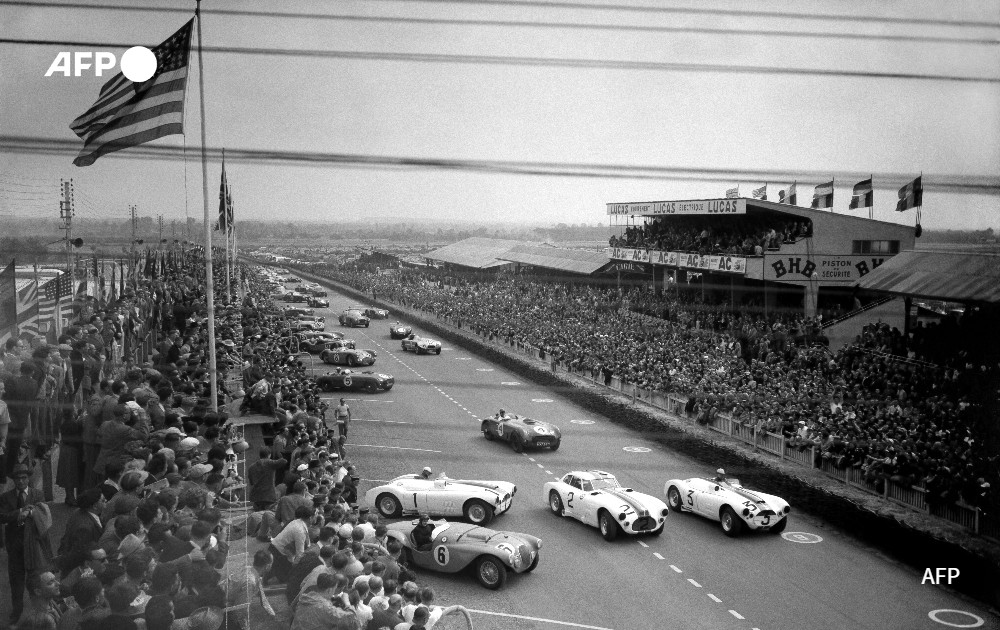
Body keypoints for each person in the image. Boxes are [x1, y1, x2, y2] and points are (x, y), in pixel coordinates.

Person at [1, 464, 49, 624]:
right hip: (15, 546)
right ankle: (17, 613)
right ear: (13, 480)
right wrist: (19, 512)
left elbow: (43, 516)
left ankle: (40, 613)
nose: (21, 481)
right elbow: (2, 516)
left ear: (29, 478)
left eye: (24, 478)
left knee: (36, 579)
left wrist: (31, 512)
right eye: (17, 478)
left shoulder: (37, 494)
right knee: (16, 580)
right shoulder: (6, 497)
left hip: (34, 544)